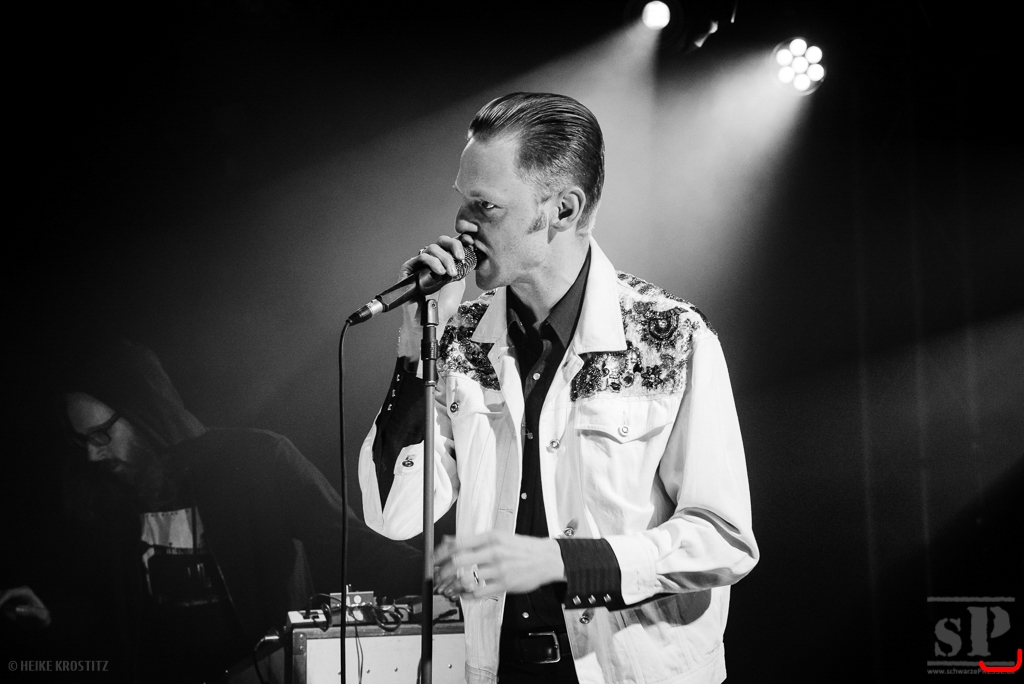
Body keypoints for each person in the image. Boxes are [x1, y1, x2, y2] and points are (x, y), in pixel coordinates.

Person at [358, 92, 759, 683]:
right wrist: (419, 347)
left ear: (563, 209)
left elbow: (723, 540)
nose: (462, 224)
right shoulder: (458, 339)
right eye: (463, 202)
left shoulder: (670, 337)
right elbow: (391, 514)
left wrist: (563, 561)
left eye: (485, 206)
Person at [2, 338, 420, 683]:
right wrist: (51, 619)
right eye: (83, 441)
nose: (93, 455)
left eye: (101, 435)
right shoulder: (105, 501)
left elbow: (348, 542)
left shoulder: (256, 458)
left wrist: (432, 571)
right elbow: (105, 613)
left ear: (143, 412)